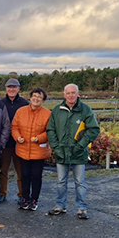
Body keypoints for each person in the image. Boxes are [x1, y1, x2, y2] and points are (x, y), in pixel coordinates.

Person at [46, 84, 100, 220]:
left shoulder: (85, 110)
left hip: (79, 153)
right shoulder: (57, 110)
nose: (70, 95)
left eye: (73, 93)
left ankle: (81, 208)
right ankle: (60, 205)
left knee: (80, 182)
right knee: (60, 181)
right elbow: (50, 130)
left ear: (78, 94)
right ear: (64, 95)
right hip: (61, 152)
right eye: (68, 93)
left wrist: (80, 146)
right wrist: (56, 147)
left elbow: (93, 129)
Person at [11, 88, 51, 211]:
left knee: (36, 176)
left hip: (38, 151)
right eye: (34, 96)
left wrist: (39, 138)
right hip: (23, 150)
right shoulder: (21, 111)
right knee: (24, 175)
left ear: (43, 100)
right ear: (30, 97)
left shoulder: (47, 114)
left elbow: (50, 131)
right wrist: (18, 137)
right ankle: (25, 198)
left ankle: (34, 200)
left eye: (39, 97)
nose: (36, 99)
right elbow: (14, 127)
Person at [0, 78, 29, 205]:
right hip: (5, 143)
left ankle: (21, 194)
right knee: (3, 170)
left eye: (14, 87)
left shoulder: (24, 103)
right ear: (6, 89)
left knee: (20, 170)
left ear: (18, 89)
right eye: (9, 87)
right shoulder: (0, 103)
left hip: (20, 142)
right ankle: (2, 193)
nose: (11, 89)